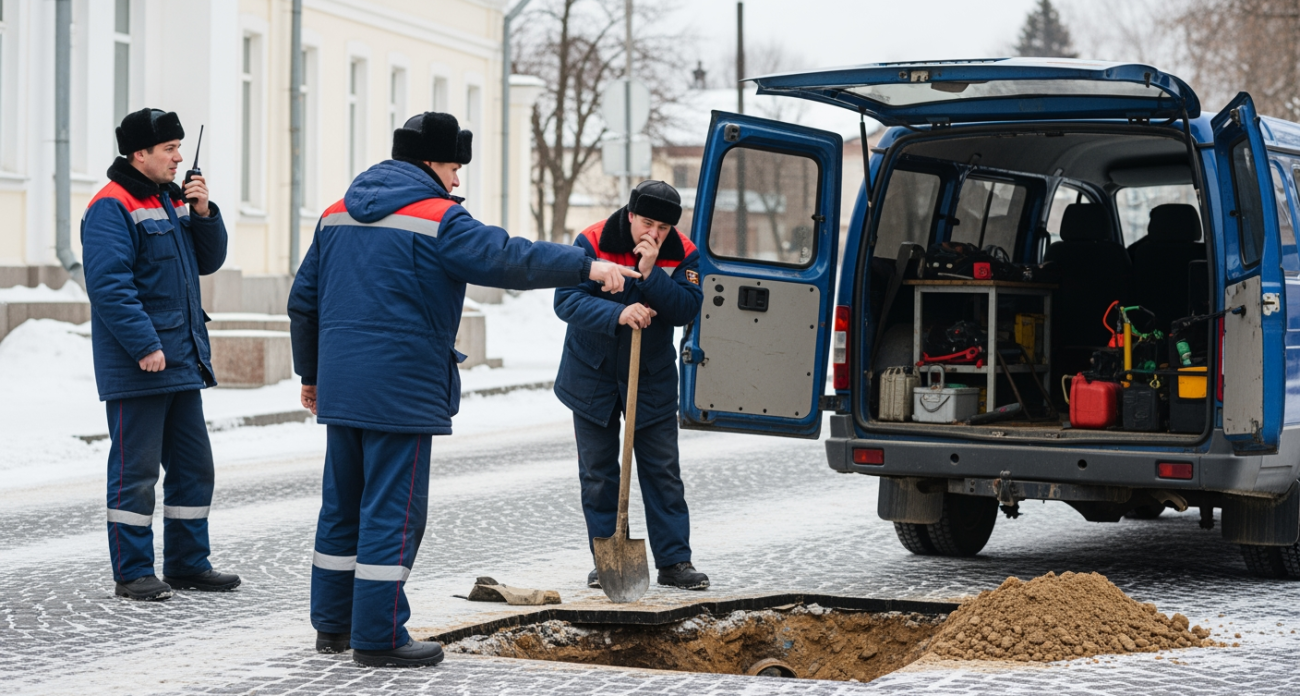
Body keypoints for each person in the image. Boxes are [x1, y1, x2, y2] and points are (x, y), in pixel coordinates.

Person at [288, 112, 639, 668]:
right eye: (453, 168)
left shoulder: (335, 214)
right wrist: (587, 266)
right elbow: (510, 256)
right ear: (431, 162)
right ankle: (379, 636)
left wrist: (311, 374)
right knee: (392, 511)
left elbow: (303, 300)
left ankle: (333, 625)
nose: (456, 181)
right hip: (401, 387)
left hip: (342, 384)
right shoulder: (439, 219)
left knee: (343, 506)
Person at [81, 108, 239, 602]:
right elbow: (110, 287)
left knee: (194, 468)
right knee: (136, 473)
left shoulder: (168, 201)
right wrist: (145, 345)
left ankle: (188, 564)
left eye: (178, 147)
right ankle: (132, 571)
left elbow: (207, 262)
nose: (178, 157)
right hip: (142, 363)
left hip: (181, 361)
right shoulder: (112, 205)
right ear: (139, 153)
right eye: (168, 149)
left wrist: (203, 213)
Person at [553, 180, 708, 592]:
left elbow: (687, 308)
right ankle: (606, 556)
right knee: (599, 474)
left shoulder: (684, 252)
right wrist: (616, 315)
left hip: (651, 376)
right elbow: (565, 301)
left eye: (662, 226)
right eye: (646, 222)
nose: (652, 233)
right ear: (630, 214)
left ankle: (675, 561)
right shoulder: (592, 240)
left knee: (662, 471)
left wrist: (651, 273)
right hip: (591, 373)